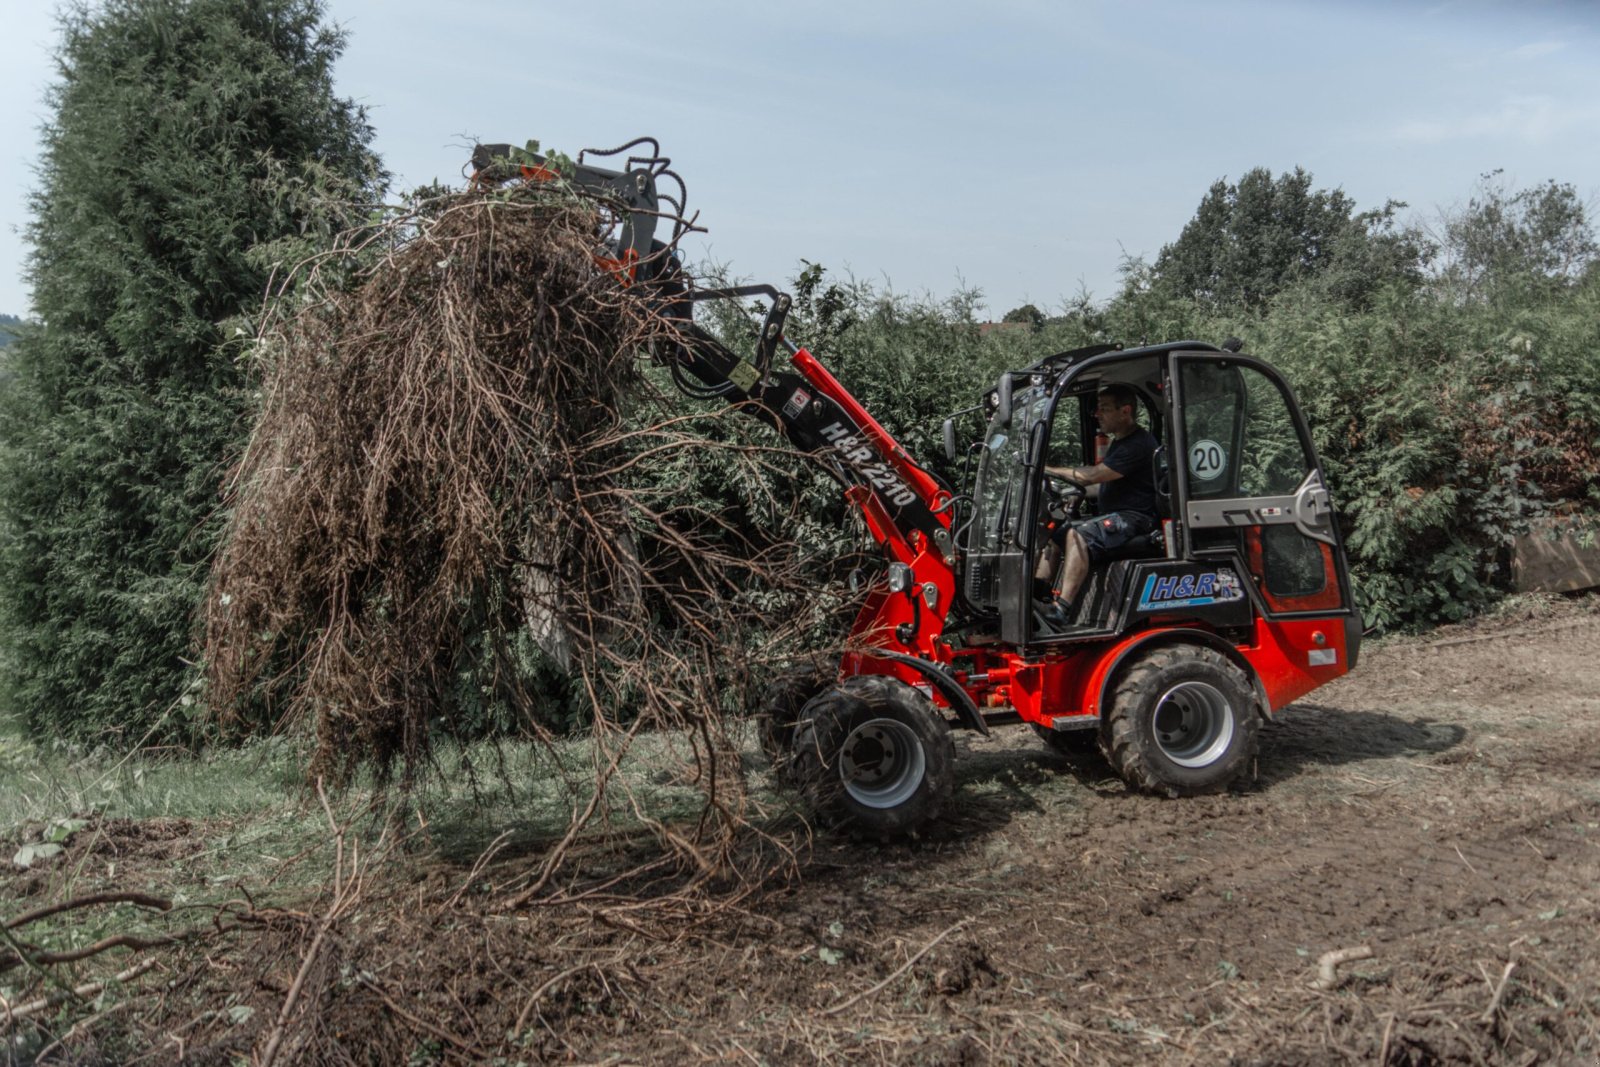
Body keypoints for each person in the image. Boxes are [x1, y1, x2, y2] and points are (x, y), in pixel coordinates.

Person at [1036, 384, 1160, 625]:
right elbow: (1102, 483)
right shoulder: (1121, 442)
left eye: (1104, 409)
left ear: (1125, 411)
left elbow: (1094, 475)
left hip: (1135, 518)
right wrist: (1069, 490)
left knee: (1078, 535)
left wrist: (1045, 469)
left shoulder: (1138, 444)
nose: (1097, 414)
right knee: (1056, 530)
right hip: (1119, 514)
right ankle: (1038, 593)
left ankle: (1062, 609)